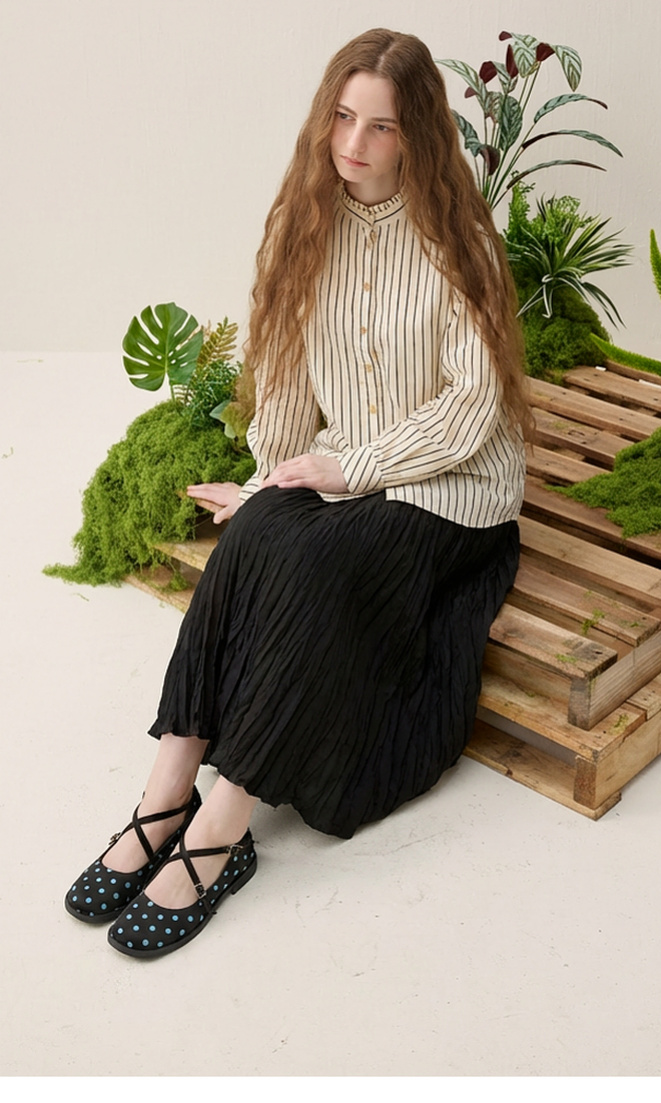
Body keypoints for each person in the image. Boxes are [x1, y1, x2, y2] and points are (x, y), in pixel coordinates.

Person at [64, 27, 530, 959]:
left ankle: (221, 831)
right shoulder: (305, 222)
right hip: (340, 461)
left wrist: (351, 470)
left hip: (454, 486)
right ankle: (165, 795)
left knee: (317, 569)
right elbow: (283, 375)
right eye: (343, 117)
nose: (354, 143)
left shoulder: (461, 243)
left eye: (381, 126)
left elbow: (474, 406)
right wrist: (266, 482)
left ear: (417, 135)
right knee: (253, 540)